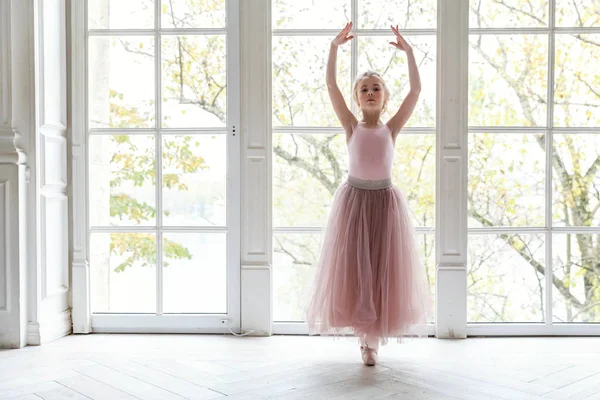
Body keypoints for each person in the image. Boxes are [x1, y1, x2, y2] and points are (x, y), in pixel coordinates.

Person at [305, 22, 432, 366]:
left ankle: (373, 340)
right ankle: (364, 339)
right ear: (357, 98)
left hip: (385, 202)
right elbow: (330, 84)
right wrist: (333, 48)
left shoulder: (392, 128)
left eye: (377, 88)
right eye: (364, 89)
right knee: (357, 270)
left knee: (381, 269)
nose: (371, 92)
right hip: (355, 202)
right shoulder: (351, 126)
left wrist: (409, 54)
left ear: (385, 97)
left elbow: (416, 92)